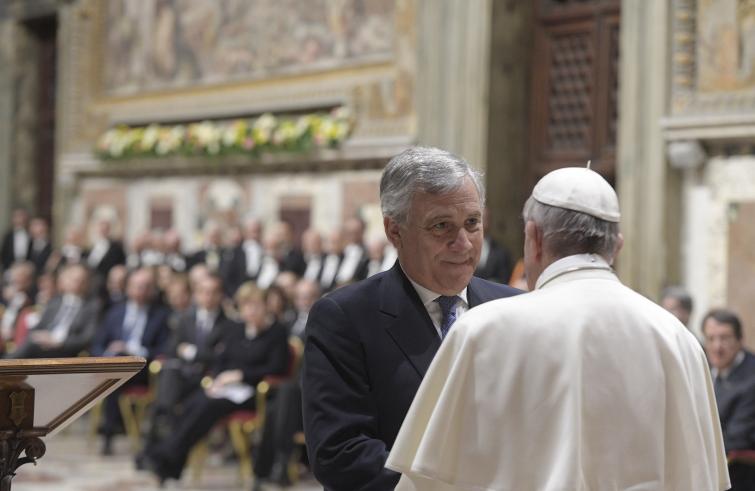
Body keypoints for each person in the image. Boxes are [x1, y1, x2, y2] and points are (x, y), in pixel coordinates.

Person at [386, 165, 730, 491]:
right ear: (617, 246)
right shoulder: (679, 340)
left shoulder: (482, 330)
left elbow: (429, 481)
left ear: (533, 238)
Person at [301, 146, 521, 490]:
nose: (462, 243)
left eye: (472, 223)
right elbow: (340, 452)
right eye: (441, 226)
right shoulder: (345, 319)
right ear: (395, 231)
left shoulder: (514, 308)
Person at [145, 282, 289, 485]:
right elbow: (222, 360)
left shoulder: (277, 331)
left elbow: (277, 367)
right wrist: (216, 379)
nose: (250, 311)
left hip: (253, 392)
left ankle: (165, 457)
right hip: (226, 388)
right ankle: (169, 463)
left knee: (207, 406)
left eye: (255, 306)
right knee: (192, 404)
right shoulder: (235, 329)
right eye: (246, 306)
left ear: (266, 306)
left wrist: (241, 375)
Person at [91, 267, 171, 455]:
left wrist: (133, 351)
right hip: (114, 367)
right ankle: (109, 434)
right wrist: (108, 352)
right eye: (137, 286)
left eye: (146, 287)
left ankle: (111, 429)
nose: (141, 291)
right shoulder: (115, 312)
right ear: (128, 288)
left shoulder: (161, 315)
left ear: (152, 290)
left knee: (116, 371)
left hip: (142, 369)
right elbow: (97, 343)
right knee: (115, 372)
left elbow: (164, 349)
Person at [702, 308, 755, 490]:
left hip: (739, 476)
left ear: (740, 340)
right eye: (711, 339)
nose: (717, 347)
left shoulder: (751, 379)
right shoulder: (704, 366)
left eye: (724, 338)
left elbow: (737, 438)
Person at [9, 264, 99, 358]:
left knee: (30, 346)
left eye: (81, 279)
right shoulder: (55, 302)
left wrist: (58, 342)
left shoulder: (91, 306)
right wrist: (39, 336)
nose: (77, 282)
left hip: (65, 350)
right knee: (30, 341)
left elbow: (86, 338)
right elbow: (39, 326)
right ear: (64, 279)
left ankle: (5, 365)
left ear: (87, 283)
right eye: (73, 279)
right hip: (43, 344)